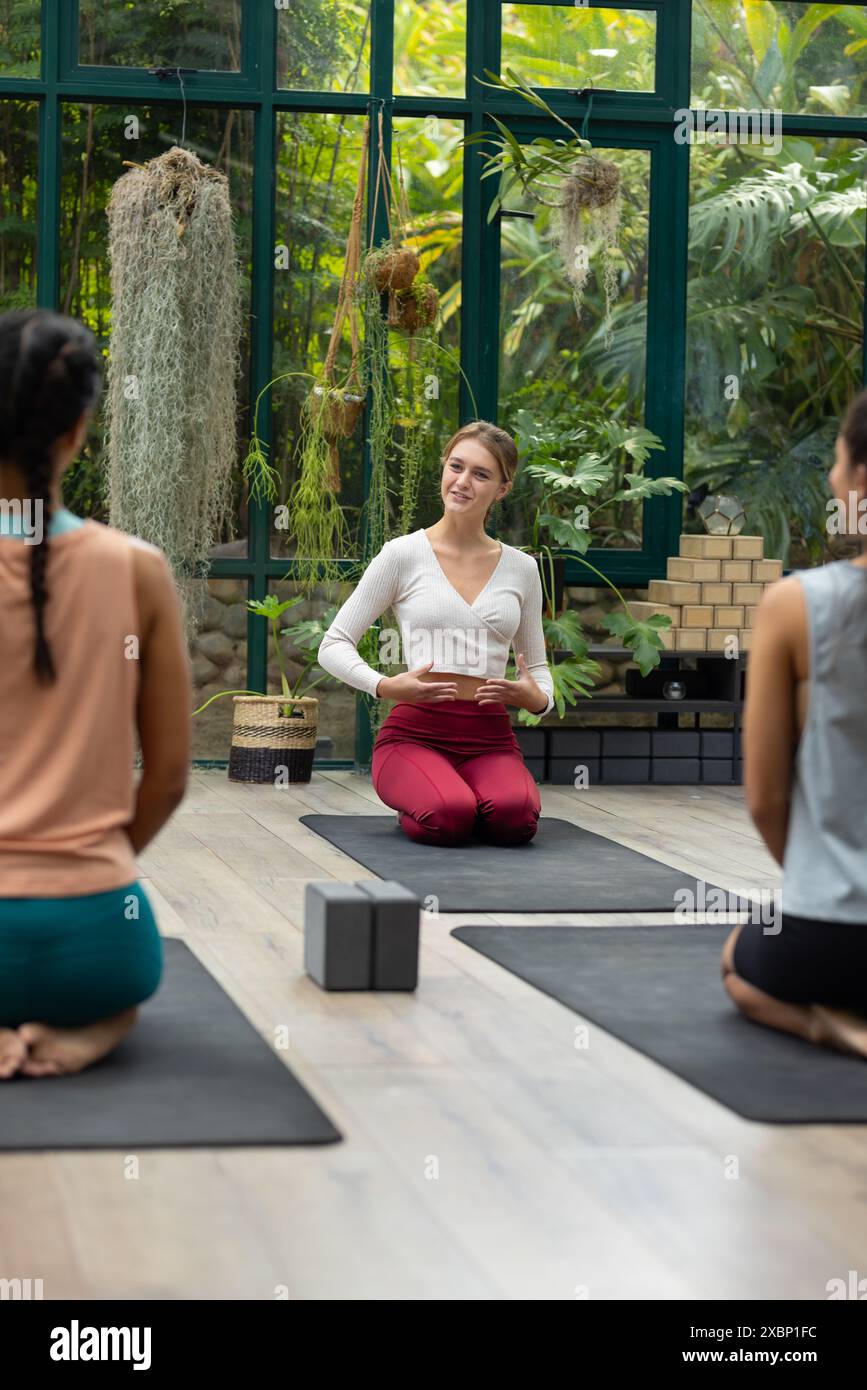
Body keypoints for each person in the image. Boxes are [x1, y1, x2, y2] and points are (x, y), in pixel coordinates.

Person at [0, 308, 191, 1079]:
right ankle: (96, 1025)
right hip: (101, 947)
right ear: (79, 430)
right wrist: (98, 864)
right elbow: (170, 778)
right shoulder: (138, 568)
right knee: (112, 985)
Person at [317, 420, 554, 846]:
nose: (462, 482)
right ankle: (445, 799)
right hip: (414, 734)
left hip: (490, 737)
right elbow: (333, 644)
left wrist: (534, 698)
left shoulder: (523, 568)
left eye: (481, 474)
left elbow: (536, 666)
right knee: (448, 816)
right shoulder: (402, 555)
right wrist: (386, 686)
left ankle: (465, 796)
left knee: (517, 821)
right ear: (443, 469)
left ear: (502, 489)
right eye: (456, 467)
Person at [721, 388, 867, 1057]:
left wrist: (813, 879)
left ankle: (827, 1024)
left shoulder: (793, 605)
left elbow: (764, 797)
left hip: (834, 935)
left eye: (837, 462)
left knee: (735, 960)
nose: (833, 479)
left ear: (859, 478)